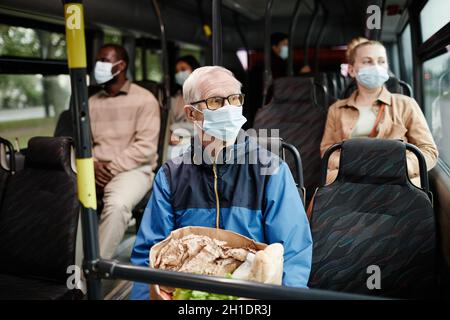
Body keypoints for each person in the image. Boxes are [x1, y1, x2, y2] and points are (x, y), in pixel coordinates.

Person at [130, 66, 313, 299]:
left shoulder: (271, 171)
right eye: (216, 101)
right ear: (191, 114)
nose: (229, 108)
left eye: (235, 99)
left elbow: (292, 255)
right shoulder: (171, 176)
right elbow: (149, 254)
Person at [320, 40, 438, 186]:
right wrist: (353, 165)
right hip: (348, 182)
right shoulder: (336, 109)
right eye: (367, 61)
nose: (376, 67)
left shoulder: (406, 104)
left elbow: (429, 151)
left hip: (396, 183)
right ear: (351, 70)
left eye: (381, 61)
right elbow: (326, 151)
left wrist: (401, 166)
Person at [89, 44, 160, 259]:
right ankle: (69, 268)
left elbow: (145, 147)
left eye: (104, 61)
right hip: (94, 168)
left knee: (117, 206)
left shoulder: (145, 99)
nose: (98, 66)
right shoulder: (91, 103)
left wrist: (109, 169)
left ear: (121, 66)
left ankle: (94, 270)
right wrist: (92, 164)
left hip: (134, 170)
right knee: (67, 199)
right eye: (97, 61)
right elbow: (82, 143)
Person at [245, 32, 289, 128]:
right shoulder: (274, 66)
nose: (287, 48)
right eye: (284, 45)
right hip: (272, 111)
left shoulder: (264, 64)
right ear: (274, 47)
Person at [166, 55, 201, 160]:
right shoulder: (174, 98)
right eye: (177, 71)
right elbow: (169, 123)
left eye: (183, 69)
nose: (180, 74)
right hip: (177, 139)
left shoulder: (204, 96)